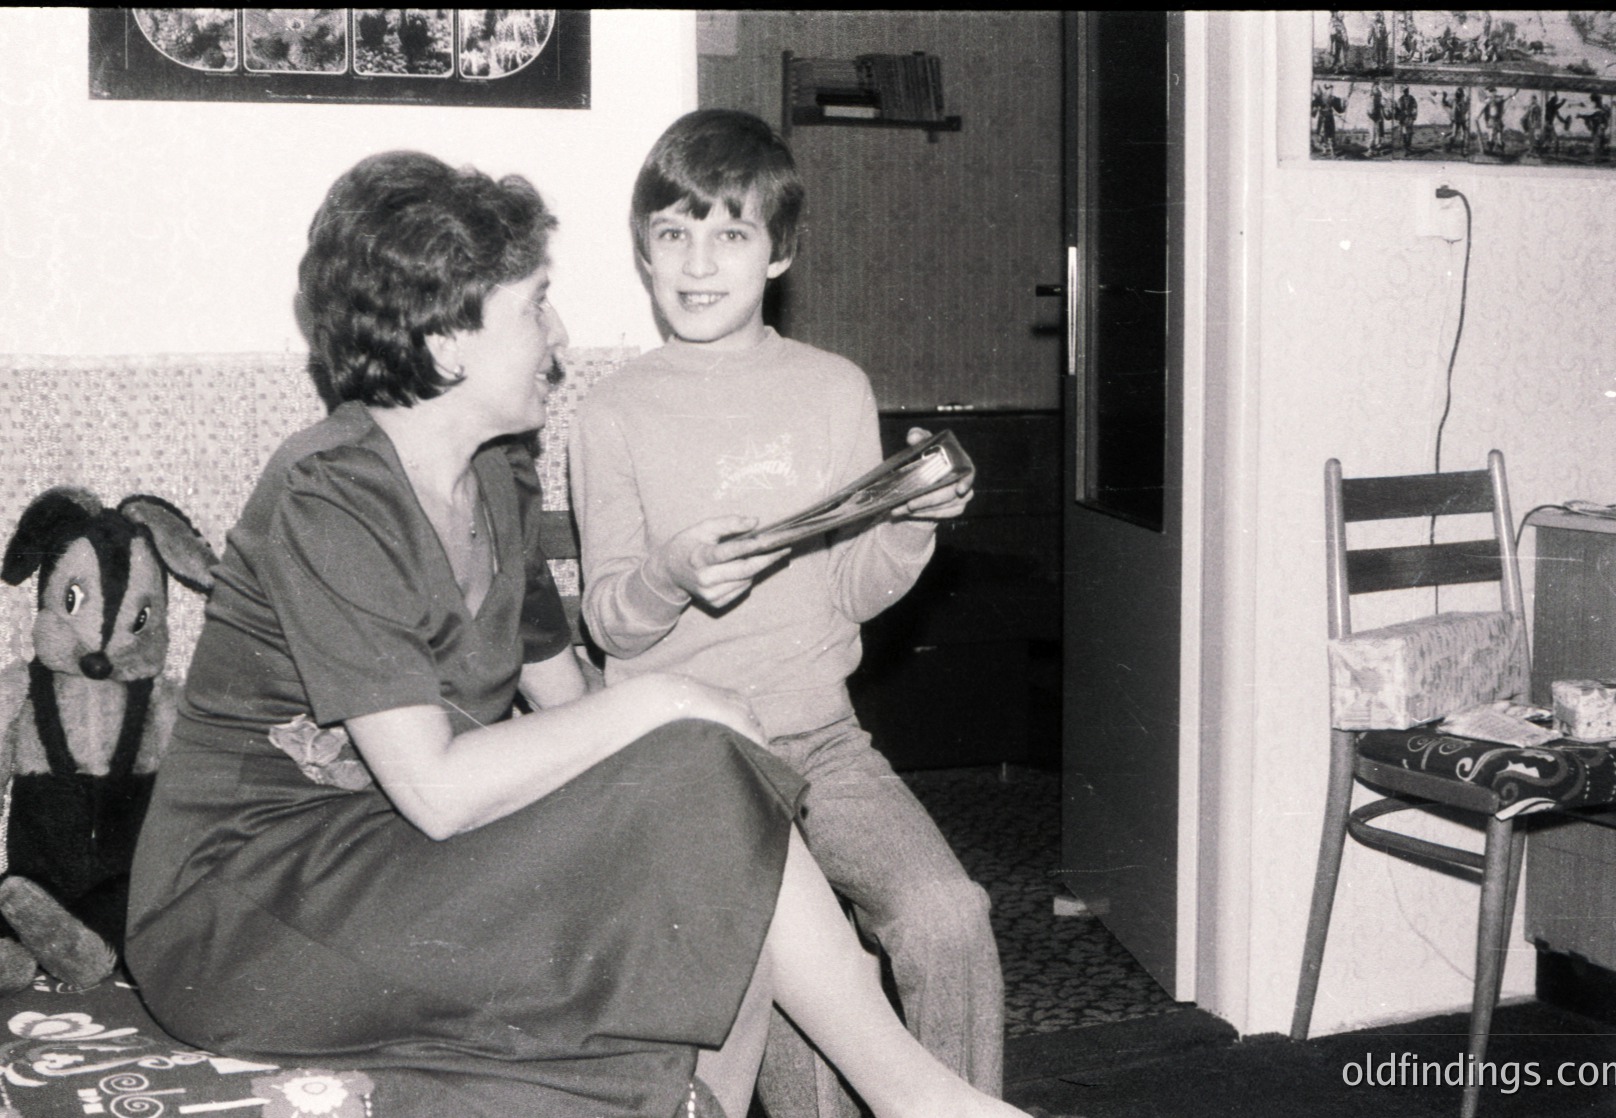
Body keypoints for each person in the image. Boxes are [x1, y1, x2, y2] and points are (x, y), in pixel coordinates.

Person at [124, 150, 1036, 1118]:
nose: (559, 336)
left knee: (699, 803)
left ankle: (875, 1098)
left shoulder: (496, 474)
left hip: (387, 864)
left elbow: (574, 710)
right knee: (690, 761)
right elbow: (437, 789)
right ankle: (921, 1099)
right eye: (535, 307)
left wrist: (708, 776)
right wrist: (675, 698)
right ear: (446, 341)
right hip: (250, 911)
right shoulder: (331, 492)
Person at [569, 110, 1003, 1118]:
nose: (698, 262)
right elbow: (611, 625)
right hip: (696, 763)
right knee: (804, 984)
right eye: (674, 232)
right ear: (643, 250)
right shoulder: (613, 411)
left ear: (780, 252)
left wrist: (912, 525)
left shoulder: (834, 388)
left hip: (824, 738)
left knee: (949, 915)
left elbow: (849, 589)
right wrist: (671, 575)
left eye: (730, 233)